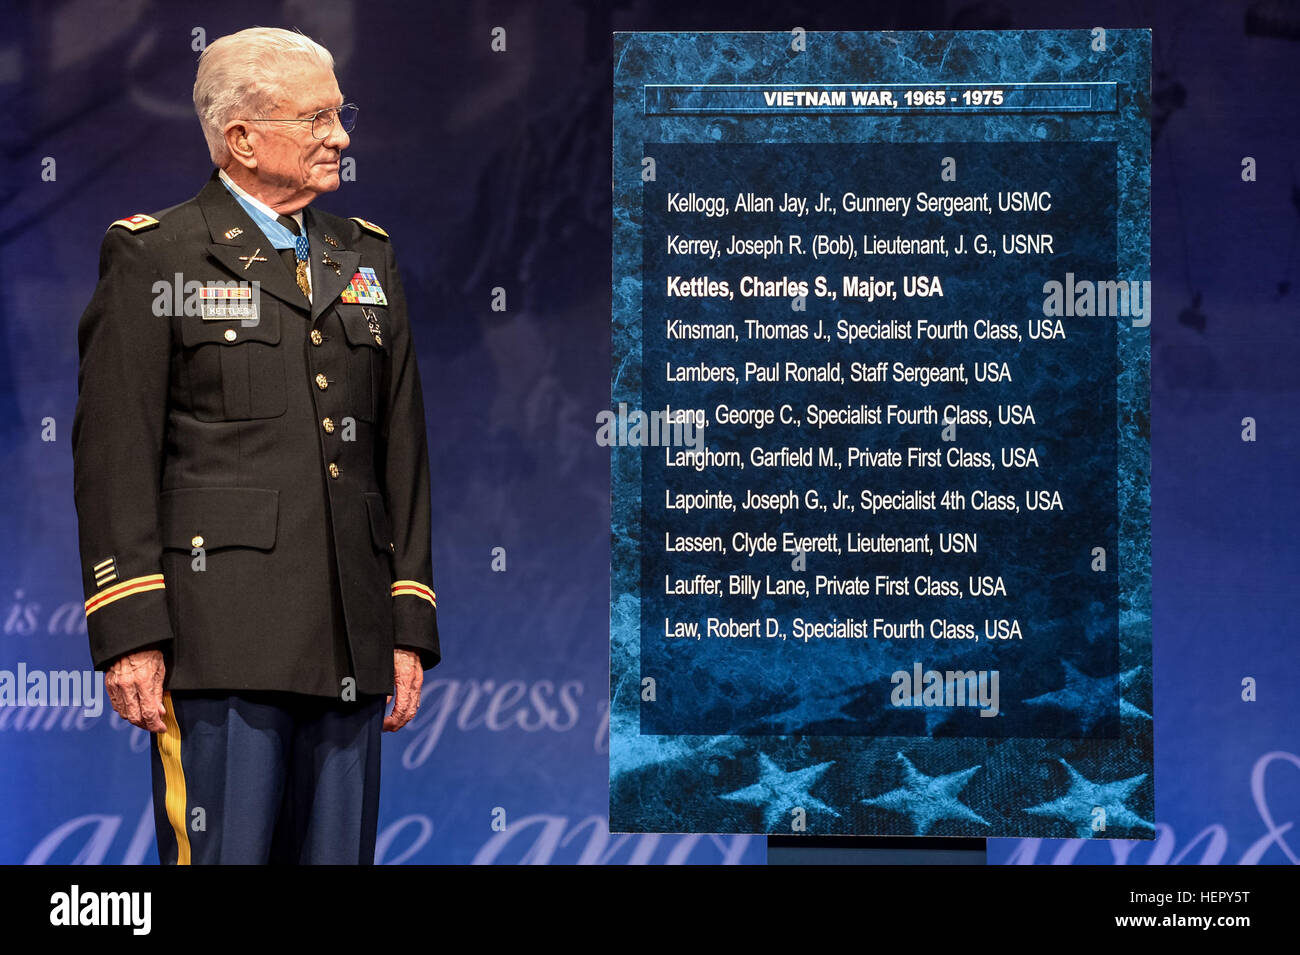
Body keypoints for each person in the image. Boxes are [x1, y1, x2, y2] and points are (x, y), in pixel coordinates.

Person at [70, 26, 441, 864]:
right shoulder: (154, 252)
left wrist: (408, 617)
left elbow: (404, 451)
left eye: (339, 115)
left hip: (351, 637)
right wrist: (129, 627)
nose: (339, 135)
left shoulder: (366, 256)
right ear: (241, 138)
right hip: (216, 646)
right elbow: (112, 455)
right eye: (316, 118)